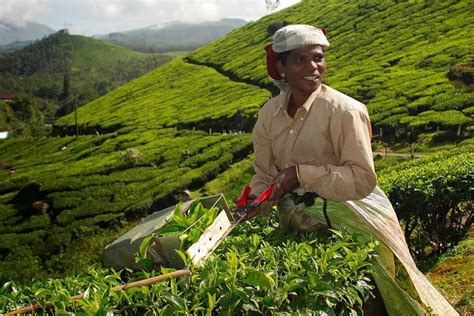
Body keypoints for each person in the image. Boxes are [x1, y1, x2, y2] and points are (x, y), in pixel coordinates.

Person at [246, 24, 457, 315]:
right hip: (297, 219)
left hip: (355, 213)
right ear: (280, 68)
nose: (313, 67)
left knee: (371, 297)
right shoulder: (269, 114)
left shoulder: (345, 111)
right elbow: (264, 173)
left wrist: (300, 174)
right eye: (299, 60)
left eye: (318, 57)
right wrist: (257, 199)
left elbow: (361, 178)